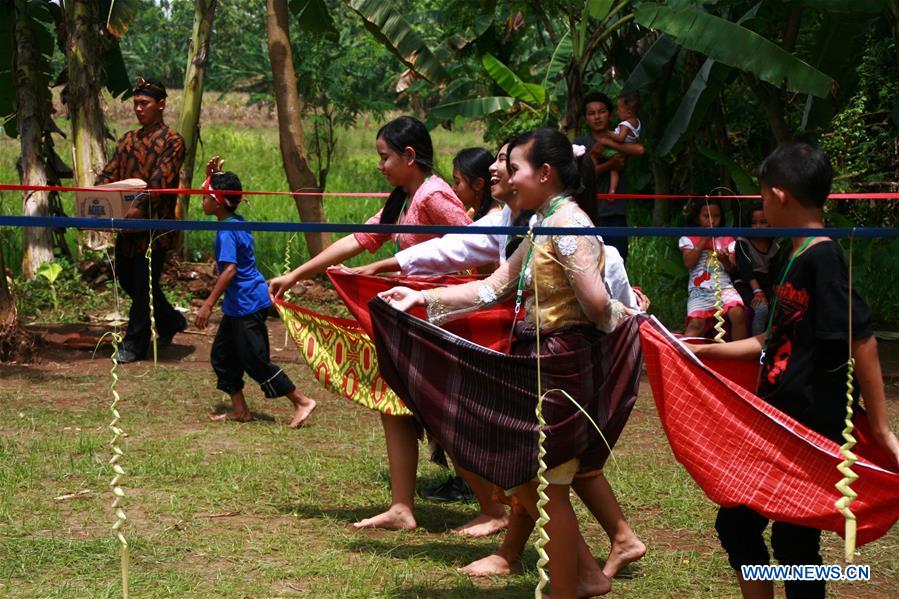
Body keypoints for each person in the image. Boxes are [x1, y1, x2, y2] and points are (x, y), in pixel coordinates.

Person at [378, 128, 641, 597]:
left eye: (514, 168)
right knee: (538, 479)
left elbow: (598, 306)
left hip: (558, 366)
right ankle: (584, 579)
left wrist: (630, 315)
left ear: (544, 173)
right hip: (538, 362)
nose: (506, 176)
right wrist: (420, 297)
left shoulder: (567, 227)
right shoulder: (544, 222)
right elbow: (492, 287)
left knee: (548, 484)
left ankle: (570, 587)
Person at [689, 141, 899, 599]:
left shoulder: (822, 257)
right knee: (753, 528)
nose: (762, 206)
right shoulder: (794, 255)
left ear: (780, 195)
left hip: (806, 424)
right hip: (779, 419)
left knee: (782, 536)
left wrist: (881, 430)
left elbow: (860, 337)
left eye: (763, 196)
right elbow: (773, 339)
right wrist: (705, 352)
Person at [269, 116, 472, 531]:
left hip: (439, 320)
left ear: (409, 156)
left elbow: (476, 245)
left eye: (385, 157)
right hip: (411, 320)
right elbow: (359, 239)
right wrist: (297, 275)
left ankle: (495, 507)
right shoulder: (405, 198)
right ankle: (402, 507)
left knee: (446, 412)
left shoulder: (434, 196)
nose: (380, 165)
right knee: (393, 404)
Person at [193, 158, 316, 427]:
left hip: (248, 303)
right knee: (223, 356)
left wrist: (208, 304)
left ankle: (301, 401)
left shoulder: (227, 231)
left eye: (205, 196)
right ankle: (241, 411)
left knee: (256, 362)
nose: (201, 200)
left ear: (217, 202)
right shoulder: (235, 220)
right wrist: (213, 176)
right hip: (239, 305)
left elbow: (229, 271)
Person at [96, 77, 187, 363]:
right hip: (126, 226)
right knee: (128, 279)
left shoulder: (172, 141)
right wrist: (95, 197)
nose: (138, 109)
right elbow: (110, 173)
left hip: (153, 227)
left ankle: (135, 343)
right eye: (135, 103)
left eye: (144, 103)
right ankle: (171, 321)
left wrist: (139, 208)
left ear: (160, 105)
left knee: (143, 282)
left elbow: (162, 180)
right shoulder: (128, 140)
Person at [574, 91, 645, 264]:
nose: (597, 117)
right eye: (591, 113)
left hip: (615, 212)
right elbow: (580, 177)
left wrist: (607, 143)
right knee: (588, 266)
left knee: (618, 263)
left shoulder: (621, 139)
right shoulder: (579, 143)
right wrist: (609, 165)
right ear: (585, 118)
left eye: (602, 111)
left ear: (610, 114)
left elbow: (640, 150)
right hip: (586, 213)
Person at [679, 199, 747, 340]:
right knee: (696, 324)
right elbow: (688, 263)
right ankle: (682, 356)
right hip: (699, 290)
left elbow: (732, 269)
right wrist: (704, 240)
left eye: (716, 216)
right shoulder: (689, 238)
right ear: (698, 218)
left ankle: (738, 355)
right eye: (707, 216)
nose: (712, 220)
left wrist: (724, 260)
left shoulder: (727, 239)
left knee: (738, 314)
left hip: (724, 288)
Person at [733, 202, 782, 336]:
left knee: (781, 307)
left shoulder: (774, 247)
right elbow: (745, 270)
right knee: (761, 309)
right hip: (746, 283)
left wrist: (776, 290)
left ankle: (776, 342)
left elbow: (775, 272)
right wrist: (758, 291)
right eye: (754, 223)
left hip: (766, 284)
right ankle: (757, 344)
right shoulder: (742, 242)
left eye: (763, 222)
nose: (758, 226)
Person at [596, 92, 642, 197]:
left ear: (629, 113)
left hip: (618, 150)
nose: (617, 112)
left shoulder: (625, 125)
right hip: (627, 149)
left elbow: (620, 138)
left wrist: (609, 133)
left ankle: (611, 189)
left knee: (597, 153)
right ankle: (612, 190)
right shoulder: (637, 122)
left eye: (619, 110)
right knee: (614, 169)